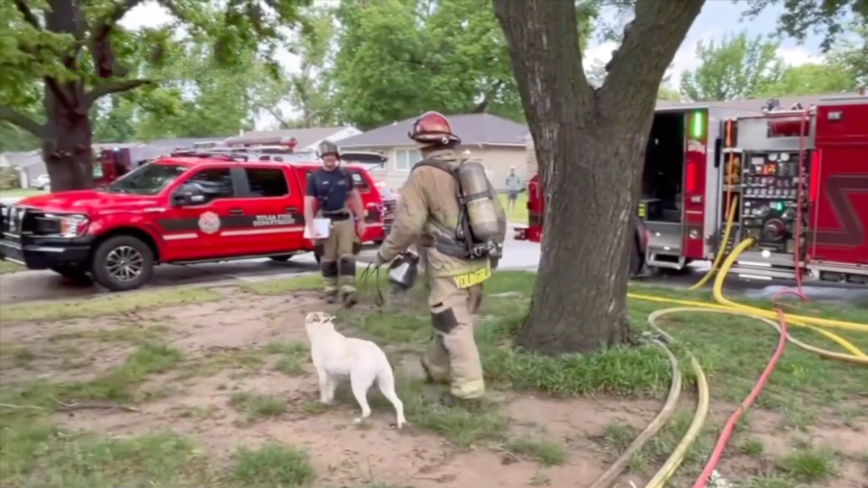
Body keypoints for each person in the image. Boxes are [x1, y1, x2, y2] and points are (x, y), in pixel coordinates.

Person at [373, 111, 507, 405]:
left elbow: (407, 224)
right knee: (449, 320)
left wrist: (384, 254)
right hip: (479, 262)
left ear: (420, 143)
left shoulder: (422, 174)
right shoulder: (470, 169)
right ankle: (435, 367)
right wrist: (495, 254)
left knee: (455, 326)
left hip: (448, 265)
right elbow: (498, 215)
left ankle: (467, 392)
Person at [304, 140, 367, 306]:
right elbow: (308, 203)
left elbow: (354, 196)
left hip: (345, 219)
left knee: (347, 255)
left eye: (332, 155)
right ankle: (330, 290)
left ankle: (348, 290)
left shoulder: (346, 174)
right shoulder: (314, 177)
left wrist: (361, 219)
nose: (329, 158)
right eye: (326, 156)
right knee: (328, 258)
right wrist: (310, 228)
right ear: (322, 157)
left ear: (336, 156)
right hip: (325, 221)